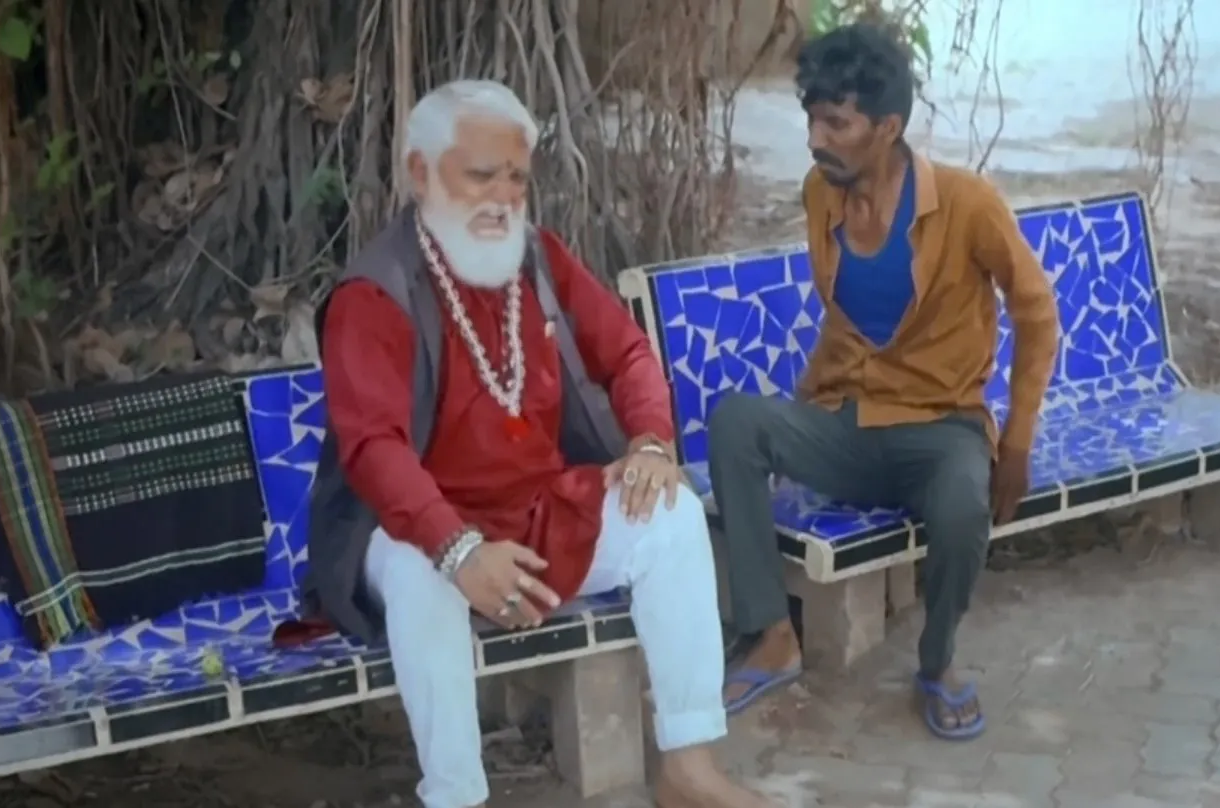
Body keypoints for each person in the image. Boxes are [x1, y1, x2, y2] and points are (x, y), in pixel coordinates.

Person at [307, 79, 774, 808]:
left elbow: (629, 354)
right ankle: (457, 796)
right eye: (480, 175)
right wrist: (460, 551)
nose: (503, 197)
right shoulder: (375, 293)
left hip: (536, 513)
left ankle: (688, 766)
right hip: (411, 530)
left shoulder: (538, 258)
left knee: (673, 515)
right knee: (421, 574)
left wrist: (651, 444)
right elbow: (374, 451)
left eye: (517, 178)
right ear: (421, 174)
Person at [708, 24, 1060, 741]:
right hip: (848, 423)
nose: (816, 138)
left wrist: (1019, 439)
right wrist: (805, 407)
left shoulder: (966, 203)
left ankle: (937, 664)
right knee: (736, 423)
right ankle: (772, 635)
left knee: (962, 506)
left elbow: (1038, 312)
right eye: (811, 118)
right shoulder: (822, 193)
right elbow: (848, 321)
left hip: (940, 429)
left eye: (836, 123)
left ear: (888, 127)